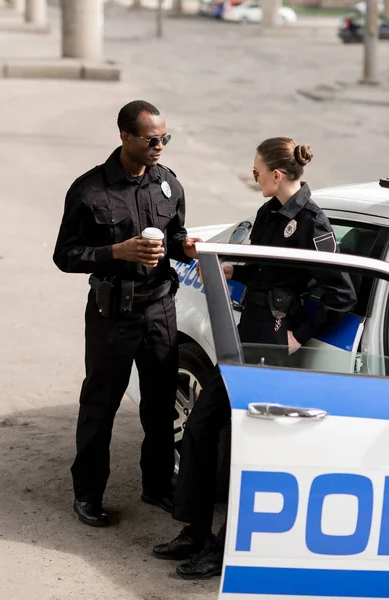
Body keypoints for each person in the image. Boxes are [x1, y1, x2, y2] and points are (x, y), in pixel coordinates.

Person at [152, 137, 357, 579]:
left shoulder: (312, 222)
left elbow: (342, 292)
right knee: (202, 429)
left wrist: (300, 335)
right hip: (245, 340)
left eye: (258, 171)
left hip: (276, 346)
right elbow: (268, 268)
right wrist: (235, 269)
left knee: (251, 449)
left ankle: (226, 550)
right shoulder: (268, 214)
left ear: (277, 175)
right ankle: (195, 531)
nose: (254, 177)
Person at [53, 100, 200, 527]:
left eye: (165, 138)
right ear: (125, 137)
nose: (160, 146)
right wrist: (115, 251)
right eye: (152, 139)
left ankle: (156, 486)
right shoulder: (89, 190)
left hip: (160, 310)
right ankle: (87, 494)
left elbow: (175, 237)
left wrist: (185, 248)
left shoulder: (168, 185)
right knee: (100, 405)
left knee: (159, 407)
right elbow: (65, 255)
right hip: (111, 313)